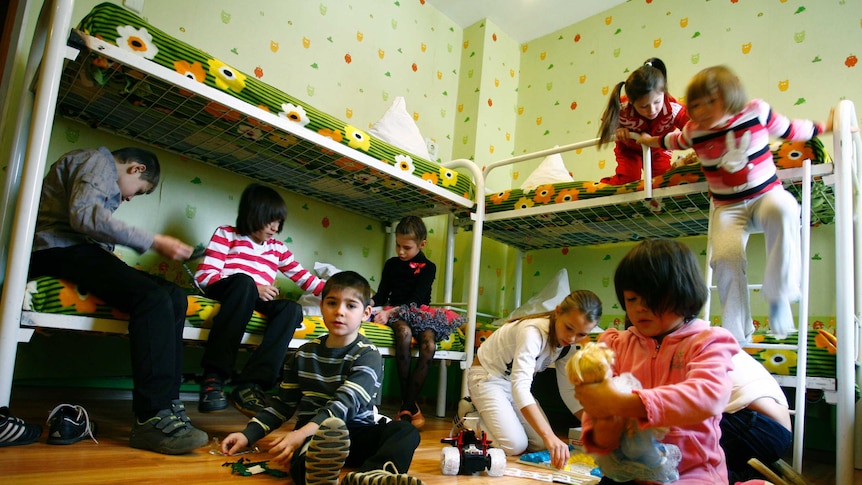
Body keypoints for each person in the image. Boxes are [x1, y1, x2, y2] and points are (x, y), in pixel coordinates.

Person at [28, 147, 208, 455]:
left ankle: (167, 403)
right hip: (57, 250)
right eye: (137, 193)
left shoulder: (95, 170)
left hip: (78, 251)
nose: (126, 199)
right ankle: (151, 417)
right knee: (151, 298)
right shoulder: (99, 160)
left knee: (174, 295)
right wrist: (152, 240)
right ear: (136, 169)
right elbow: (85, 216)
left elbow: (90, 226)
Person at [637, 65, 831, 343]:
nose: (702, 110)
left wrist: (827, 126)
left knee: (785, 208)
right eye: (695, 105)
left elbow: (791, 129)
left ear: (730, 96)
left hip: (765, 196)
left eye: (710, 102)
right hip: (728, 208)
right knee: (724, 259)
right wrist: (650, 141)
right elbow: (673, 140)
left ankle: (779, 295)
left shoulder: (755, 112)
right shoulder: (694, 131)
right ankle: (737, 335)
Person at [221, 271, 423, 485]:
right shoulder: (302, 354)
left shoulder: (368, 354)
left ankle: (374, 475)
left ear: (366, 313)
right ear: (321, 307)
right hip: (317, 438)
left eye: (351, 306)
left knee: (405, 431)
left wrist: (298, 434)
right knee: (301, 458)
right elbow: (281, 405)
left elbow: (344, 404)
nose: (340, 312)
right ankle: (320, 477)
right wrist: (248, 435)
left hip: (359, 433)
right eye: (332, 303)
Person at [574, 238, 739, 484]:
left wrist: (624, 403)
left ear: (686, 295)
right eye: (632, 299)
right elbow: (599, 408)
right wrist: (601, 432)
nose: (640, 308)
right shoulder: (615, 345)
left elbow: (709, 395)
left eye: (652, 298)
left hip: (692, 471)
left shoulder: (708, 342)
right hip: (626, 469)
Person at [194, 183, 324, 417]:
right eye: (270, 221)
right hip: (230, 291)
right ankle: (214, 376)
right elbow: (204, 277)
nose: (275, 228)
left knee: (291, 309)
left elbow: (306, 280)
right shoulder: (227, 233)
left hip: (256, 298)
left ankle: (251, 384)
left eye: (279, 222)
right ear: (252, 214)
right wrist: (254, 287)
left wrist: (345, 295)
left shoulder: (277, 248)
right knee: (243, 282)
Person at [462, 290, 602, 470]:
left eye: (581, 334)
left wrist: (593, 423)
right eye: (568, 328)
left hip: (513, 385)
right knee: (515, 446)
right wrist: (550, 436)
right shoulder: (533, 332)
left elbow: (568, 391)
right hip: (488, 378)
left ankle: (494, 416)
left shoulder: (569, 347)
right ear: (558, 311)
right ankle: (468, 416)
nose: (572, 338)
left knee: (541, 444)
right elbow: (521, 387)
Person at [370, 216, 464, 429]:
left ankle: (407, 404)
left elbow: (417, 299)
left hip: (418, 310)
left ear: (422, 244)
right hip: (396, 312)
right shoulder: (391, 264)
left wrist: (394, 310)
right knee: (403, 334)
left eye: (407, 247)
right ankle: (410, 406)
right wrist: (368, 303)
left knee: (429, 345)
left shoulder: (428, 267)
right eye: (398, 245)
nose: (401, 252)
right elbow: (383, 294)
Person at [597, 58, 689, 185]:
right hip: (629, 148)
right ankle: (601, 190)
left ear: (664, 92)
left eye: (657, 102)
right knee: (628, 179)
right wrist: (618, 129)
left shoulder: (673, 109)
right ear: (631, 102)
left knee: (662, 182)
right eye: (644, 106)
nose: (652, 110)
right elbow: (607, 122)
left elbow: (693, 127)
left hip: (658, 148)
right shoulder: (623, 108)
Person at [721, 350, 794, 484]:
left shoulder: (685, 349)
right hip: (780, 432)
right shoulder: (722, 343)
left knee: (689, 455)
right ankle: (752, 477)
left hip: (752, 425)